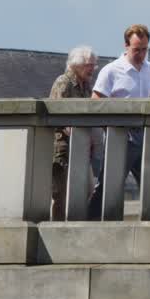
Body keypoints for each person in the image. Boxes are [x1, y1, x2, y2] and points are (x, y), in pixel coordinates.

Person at [87, 24, 150, 219]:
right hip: (120, 134)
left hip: (144, 133)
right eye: (136, 49)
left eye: (145, 49)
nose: (141, 54)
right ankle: (92, 222)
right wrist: (109, 128)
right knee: (109, 182)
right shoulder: (112, 70)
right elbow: (95, 102)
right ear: (126, 46)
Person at [48, 46, 97, 220]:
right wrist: (74, 133)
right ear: (76, 64)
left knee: (90, 189)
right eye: (88, 65)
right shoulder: (64, 82)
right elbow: (56, 113)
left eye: (93, 65)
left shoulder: (86, 86)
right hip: (62, 147)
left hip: (80, 147)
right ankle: (57, 228)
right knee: (60, 194)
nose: (92, 69)